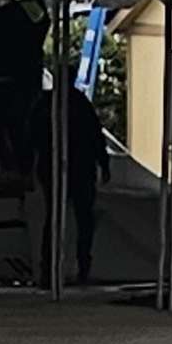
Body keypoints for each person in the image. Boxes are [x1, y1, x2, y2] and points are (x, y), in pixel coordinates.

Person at [61, 76, 106, 285]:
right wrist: (103, 164)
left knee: (58, 219)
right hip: (80, 168)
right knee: (83, 221)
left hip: (66, 168)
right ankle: (80, 266)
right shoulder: (80, 104)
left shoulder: (50, 103)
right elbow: (96, 135)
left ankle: (53, 267)